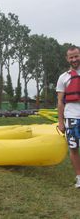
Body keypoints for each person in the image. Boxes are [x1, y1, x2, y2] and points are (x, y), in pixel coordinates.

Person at [56, 46, 80, 188]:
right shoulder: (63, 77)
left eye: (76, 56)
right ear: (67, 59)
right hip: (71, 117)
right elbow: (60, 101)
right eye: (71, 57)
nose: (74, 59)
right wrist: (60, 122)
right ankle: (79, 177)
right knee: (74, 148)